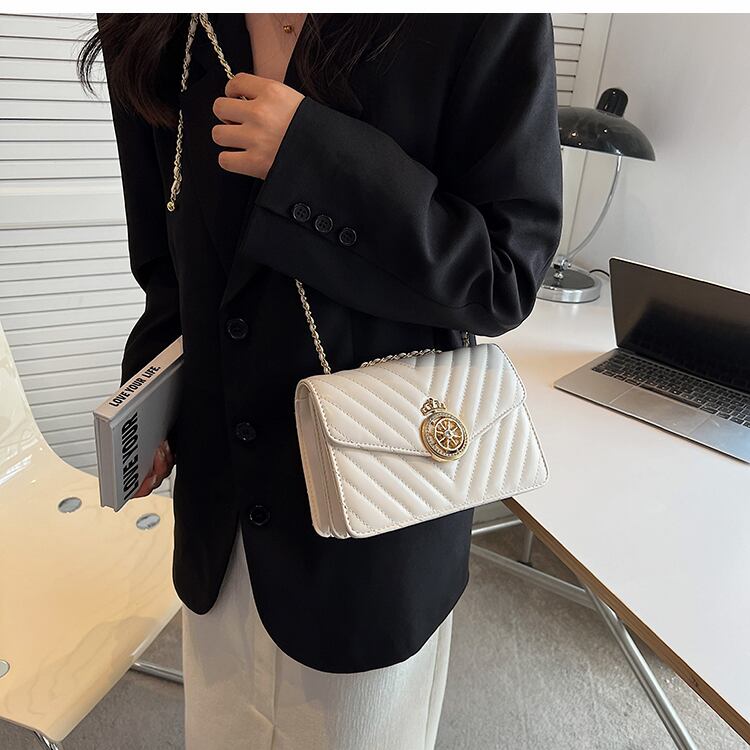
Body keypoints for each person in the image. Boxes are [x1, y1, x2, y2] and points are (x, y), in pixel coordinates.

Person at [82, 12, 563, 749]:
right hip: (221, 513)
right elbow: (167, 268)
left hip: (381, 511)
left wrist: (313, 156)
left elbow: (504, 274)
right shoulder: (156, 21)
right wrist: (150, 402)